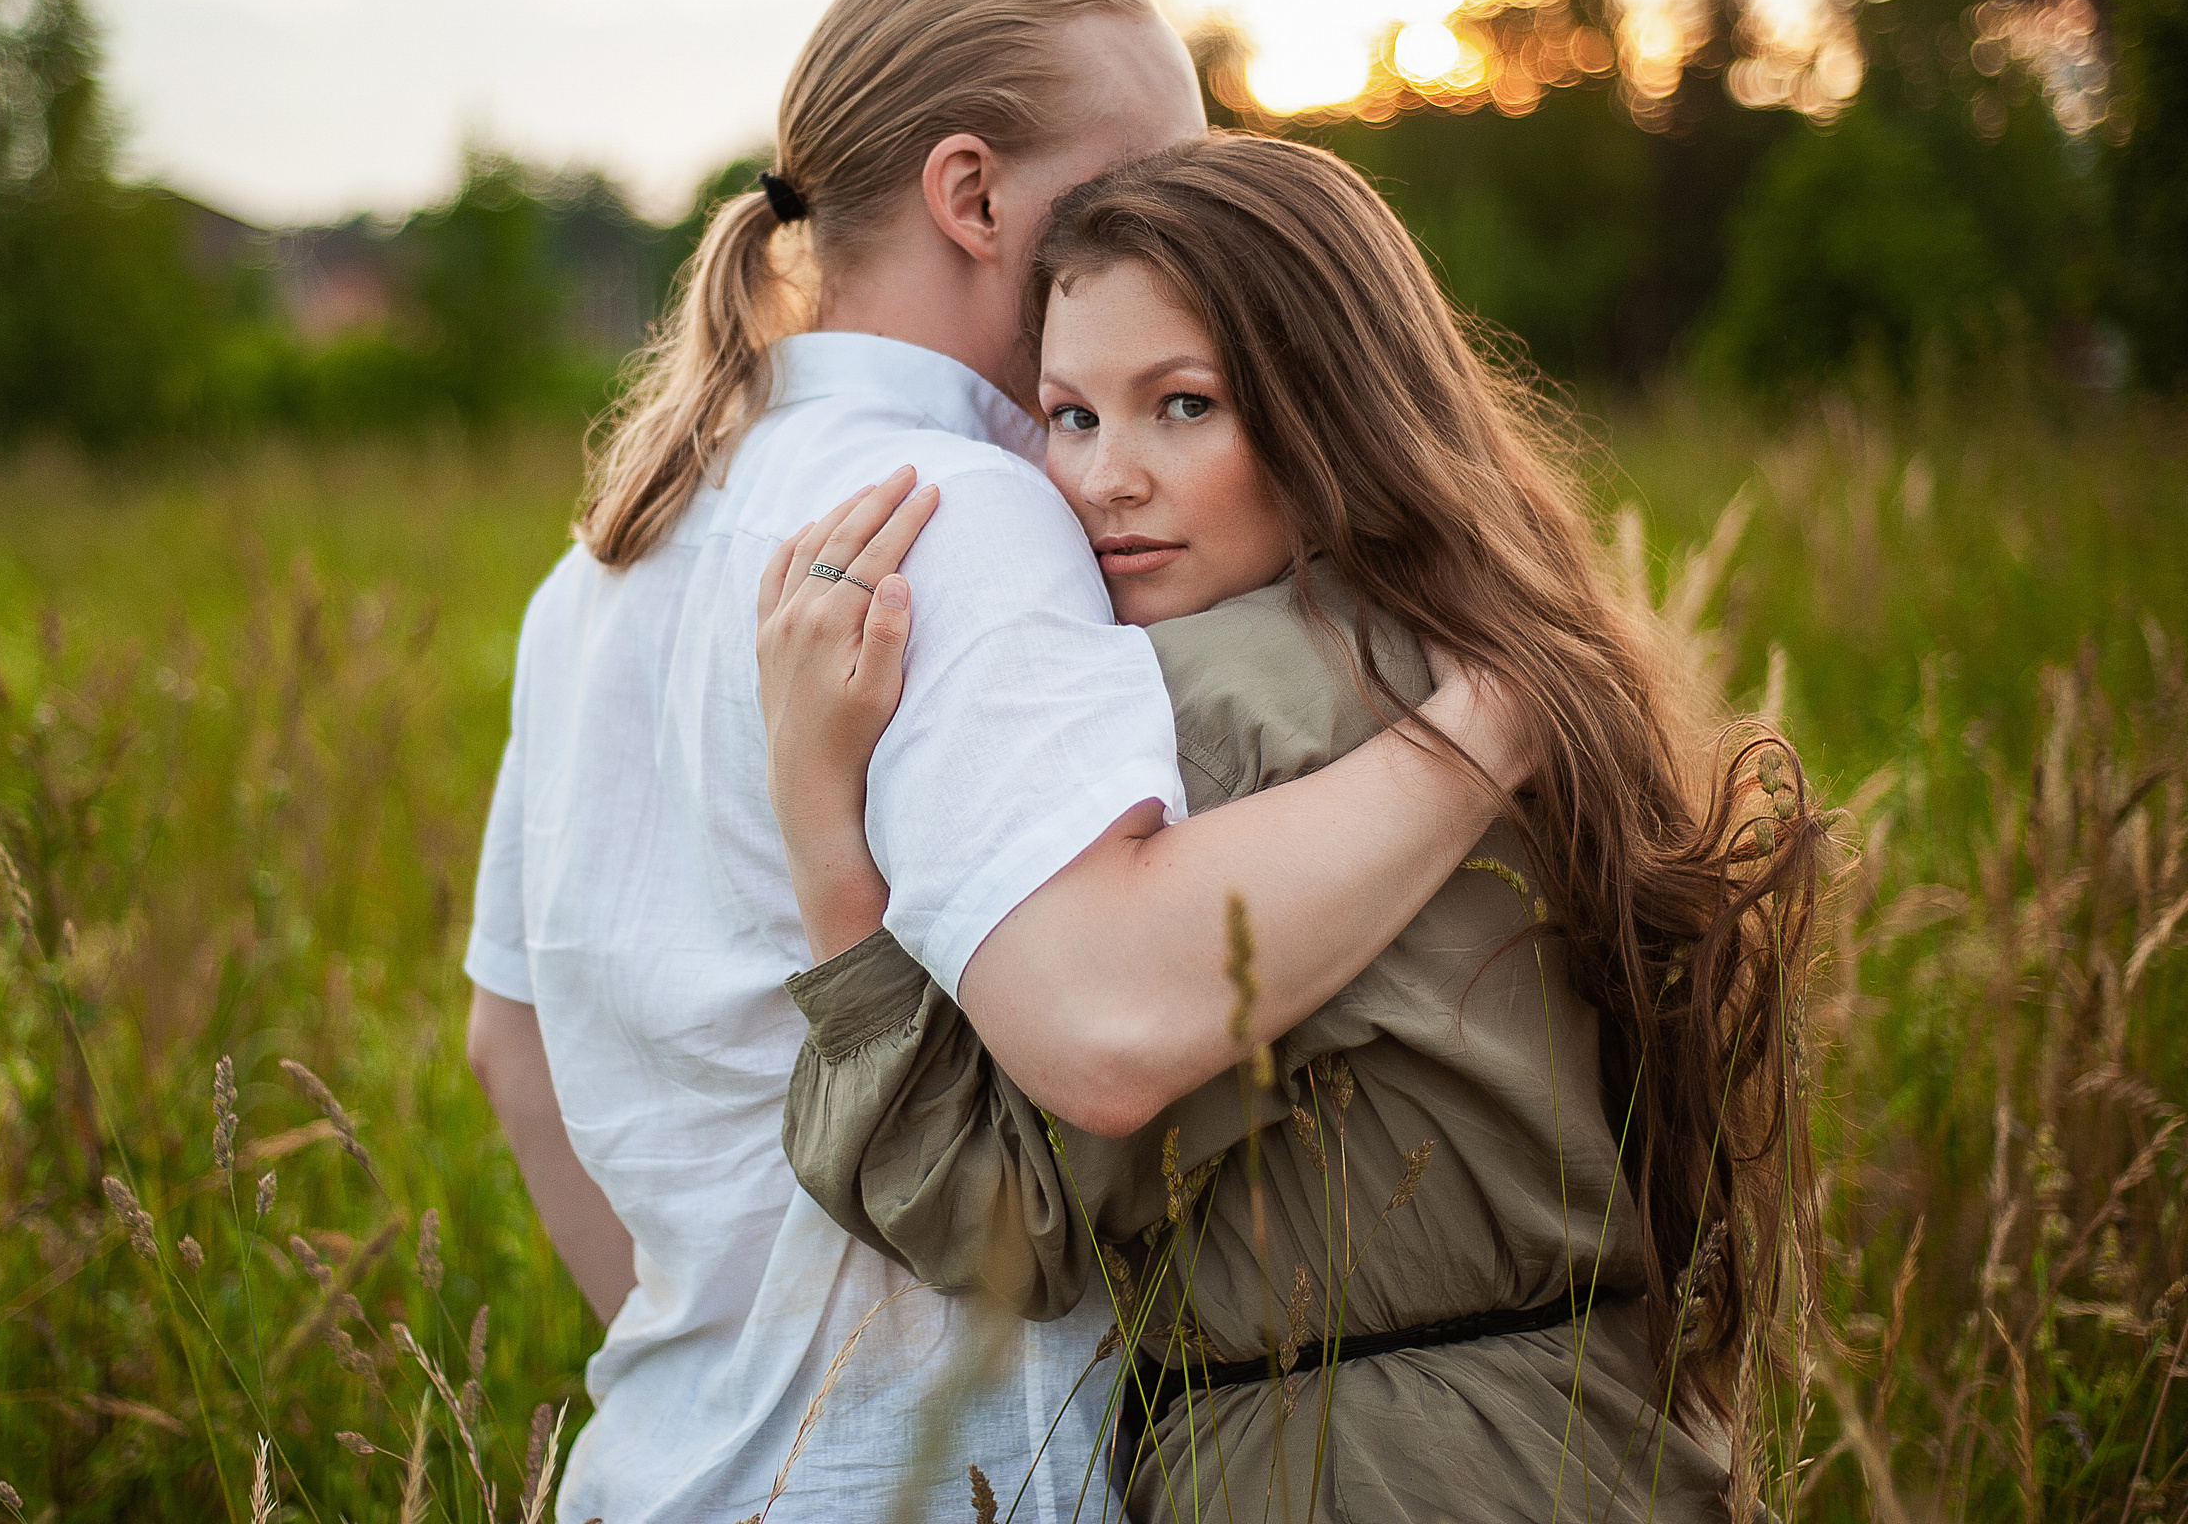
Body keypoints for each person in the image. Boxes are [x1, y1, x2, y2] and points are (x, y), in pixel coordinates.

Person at [464, 0, 1527, 1523]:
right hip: (929, 1479)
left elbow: (514, 1049)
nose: (1188, 223)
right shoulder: (969, 515)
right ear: (974, 199)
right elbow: (1105, 1026)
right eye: (1149, 177)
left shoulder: (606, 561)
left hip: (654, 1470)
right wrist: (1494, 723)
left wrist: (731, 1380)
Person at [756, 135, 1823, 1521]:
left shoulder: (1214, 709)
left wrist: (816, 813)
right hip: (1606, 1436)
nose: (1105, 479)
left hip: (1341, 1468)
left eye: (1182, 407)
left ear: (1335, 411)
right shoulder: (1495, 666)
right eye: (1070, 416)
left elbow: (1000, 1216)